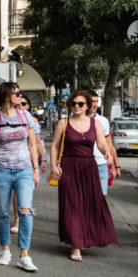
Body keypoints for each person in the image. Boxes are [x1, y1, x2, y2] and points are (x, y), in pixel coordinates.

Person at [49, 90, 118, 262]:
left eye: (80, 104)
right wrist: (53, 166)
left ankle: (84, 238)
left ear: (87, 105)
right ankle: (76, 246)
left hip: (89, 167)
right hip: (69, 167)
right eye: (73, 103)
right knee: (72, 205)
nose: (76, 106)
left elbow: (102, 143)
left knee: (87, 205)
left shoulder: (96, 124)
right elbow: (55, 146)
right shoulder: (63, 123)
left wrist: (107, 153)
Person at [0, 82, 41, 272]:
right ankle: (5, 250)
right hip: (1, 169)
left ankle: (24, 254)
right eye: (17, 93)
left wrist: (36, 169)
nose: (20, 96)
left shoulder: (26, 117)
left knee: (26, 211)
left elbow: (32, 145)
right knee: (3, 212)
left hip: (24, 169)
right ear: (7, 96)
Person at [10, 96, 47, 234]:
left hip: (30, 159)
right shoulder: (9, 118)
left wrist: (43, 159)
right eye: (18, 104)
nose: (20, 106)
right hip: (15, 159)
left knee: (26, 190)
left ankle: (25, 213)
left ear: (28, 106)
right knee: (16, 192)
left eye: (24, 104)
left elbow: (37, 142)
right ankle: (17, 219)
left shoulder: (33, 121)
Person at [87, 91, 121, 195]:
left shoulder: (103, 121)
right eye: (92, 101)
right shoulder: (76, 121)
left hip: (101, 165)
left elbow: (109, 145)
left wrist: (115, 166)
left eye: (97, 101)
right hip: (84, 165)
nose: (95, 104)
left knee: (102, 200)